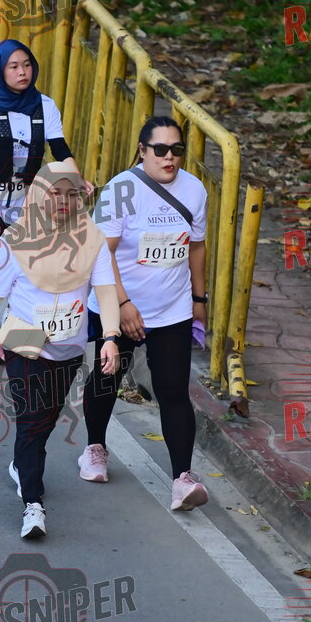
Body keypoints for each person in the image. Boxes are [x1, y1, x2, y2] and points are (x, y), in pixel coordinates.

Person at [0, 162, 121, 539]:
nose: (63, 200)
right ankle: (33, 504)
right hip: (24, 341)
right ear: (38, 195)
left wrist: (110, 336)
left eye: (71, 194)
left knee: (45, 418)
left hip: (69, 346)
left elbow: (106, 290)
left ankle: (21, 465)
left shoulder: (92, 239)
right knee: (31, 418)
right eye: (54, 192)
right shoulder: (14, 241)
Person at [81, 116, 210, 511]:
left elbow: (196, 247)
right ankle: (95, 448)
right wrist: (122, 305)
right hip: (117, 305)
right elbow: (101, 252)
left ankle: (182, 480)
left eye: (177, 150)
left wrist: (199, 300)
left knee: (173, 390)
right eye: (160, 150)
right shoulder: (121, 190)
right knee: (108, 378)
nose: (169, 157)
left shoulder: (194, 189)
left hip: (171, 308)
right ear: (142, 151)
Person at [0, 39, 92, 344]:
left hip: (25, 201)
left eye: (27, 65)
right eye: (13, 67)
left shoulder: (44, 106)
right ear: (0, 71)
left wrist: (77, 179)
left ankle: (16, 325)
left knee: (23, 265)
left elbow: (60, 149)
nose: (22, 72)